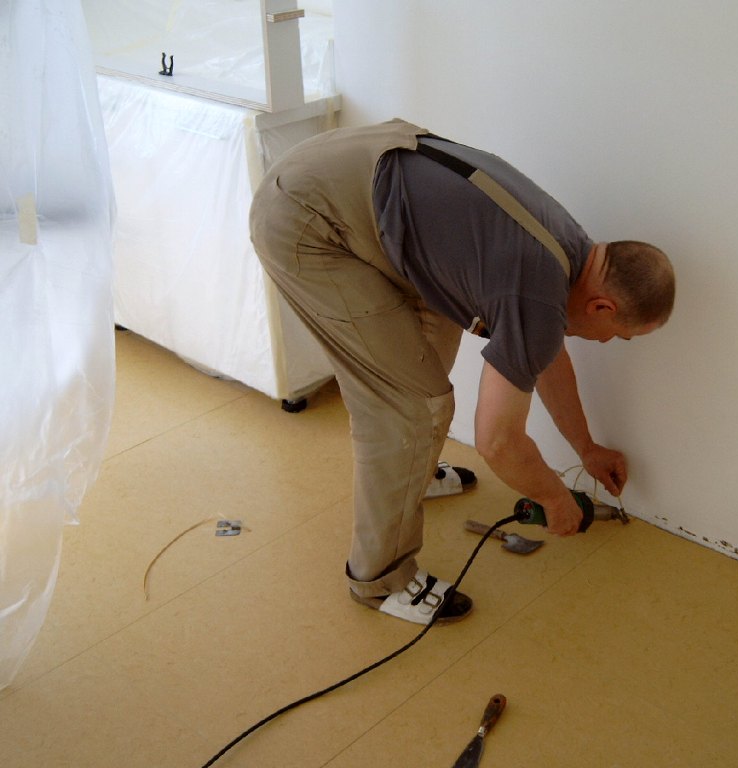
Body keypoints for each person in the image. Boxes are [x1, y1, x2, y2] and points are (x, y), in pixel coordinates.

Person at [250, 119, 674, 626]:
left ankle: (410, 477)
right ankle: (380, 578)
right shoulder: (537, 289)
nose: (608, 343)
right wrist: (553, 499)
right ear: (603, 307)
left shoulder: (572, 251)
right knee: (410, 408)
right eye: (620, 335)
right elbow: (498, 441)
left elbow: (542, 354)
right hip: (308, 218)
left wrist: (586, 448)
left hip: (352, 177)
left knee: (432, 345)